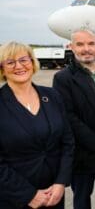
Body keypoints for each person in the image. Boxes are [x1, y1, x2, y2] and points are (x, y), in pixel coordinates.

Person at [0, 42, 74, 208]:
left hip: (54, 194)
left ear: (32, 63)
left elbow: (67, 142)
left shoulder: (52, 95)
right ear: (2, 68)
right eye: (10, 62)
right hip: (14, 198)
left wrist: (61, 182)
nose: (19, 66)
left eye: (24, 60)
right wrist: (28, 195)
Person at [53, 28, 95, 209]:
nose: (86, 49)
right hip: (82, 153)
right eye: (80, 44)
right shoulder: (63, 78)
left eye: (90, 43)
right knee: (81, 199)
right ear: (71, 47)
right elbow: (68, 116)